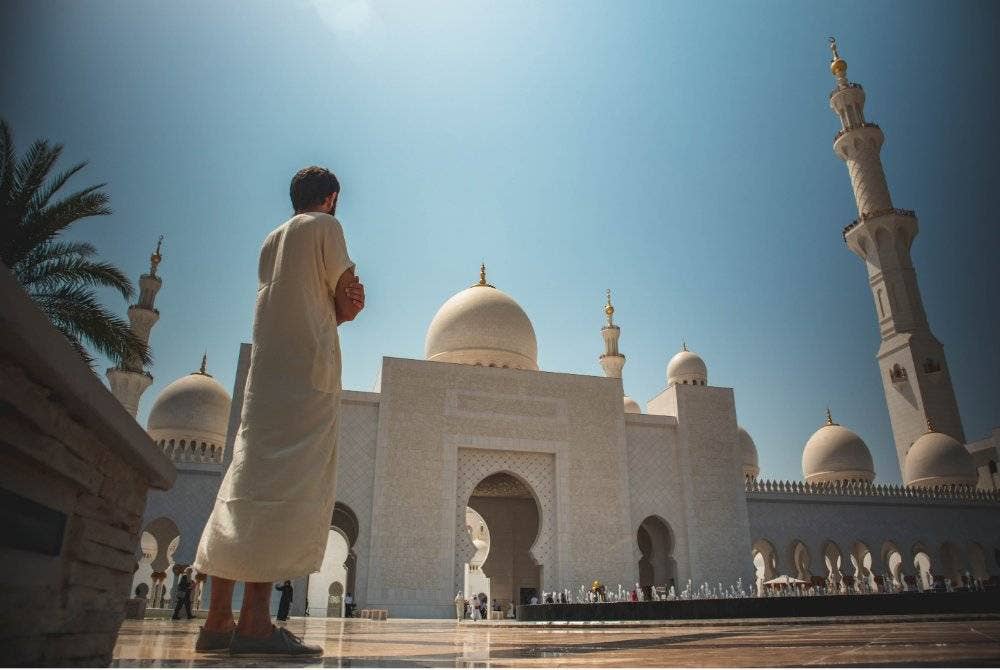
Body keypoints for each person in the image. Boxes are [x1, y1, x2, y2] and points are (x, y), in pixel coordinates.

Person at [192, 166, 365, 656]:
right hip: (306, 375)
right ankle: (254, 624)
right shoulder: (326, 227)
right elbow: (347, 300)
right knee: (285, 489)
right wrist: (352, 300)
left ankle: (217, 620)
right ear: (331, 198)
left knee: (246, 484)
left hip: (265, 378)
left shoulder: (271, 240)